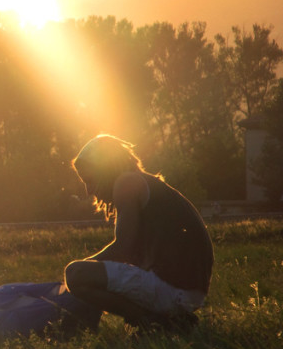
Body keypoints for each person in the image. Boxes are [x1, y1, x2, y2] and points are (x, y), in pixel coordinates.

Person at [63, 135, 213, 332]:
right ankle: (167, 320)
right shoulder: (143, 183)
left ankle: (153, 322)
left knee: (75, 274)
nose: (88, 191)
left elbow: (122, 250)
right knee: (89, 274)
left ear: (104, 169)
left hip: (173, 290)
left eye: (89, 180)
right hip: (187, 291)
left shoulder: (127, 183)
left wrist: (79, 271)